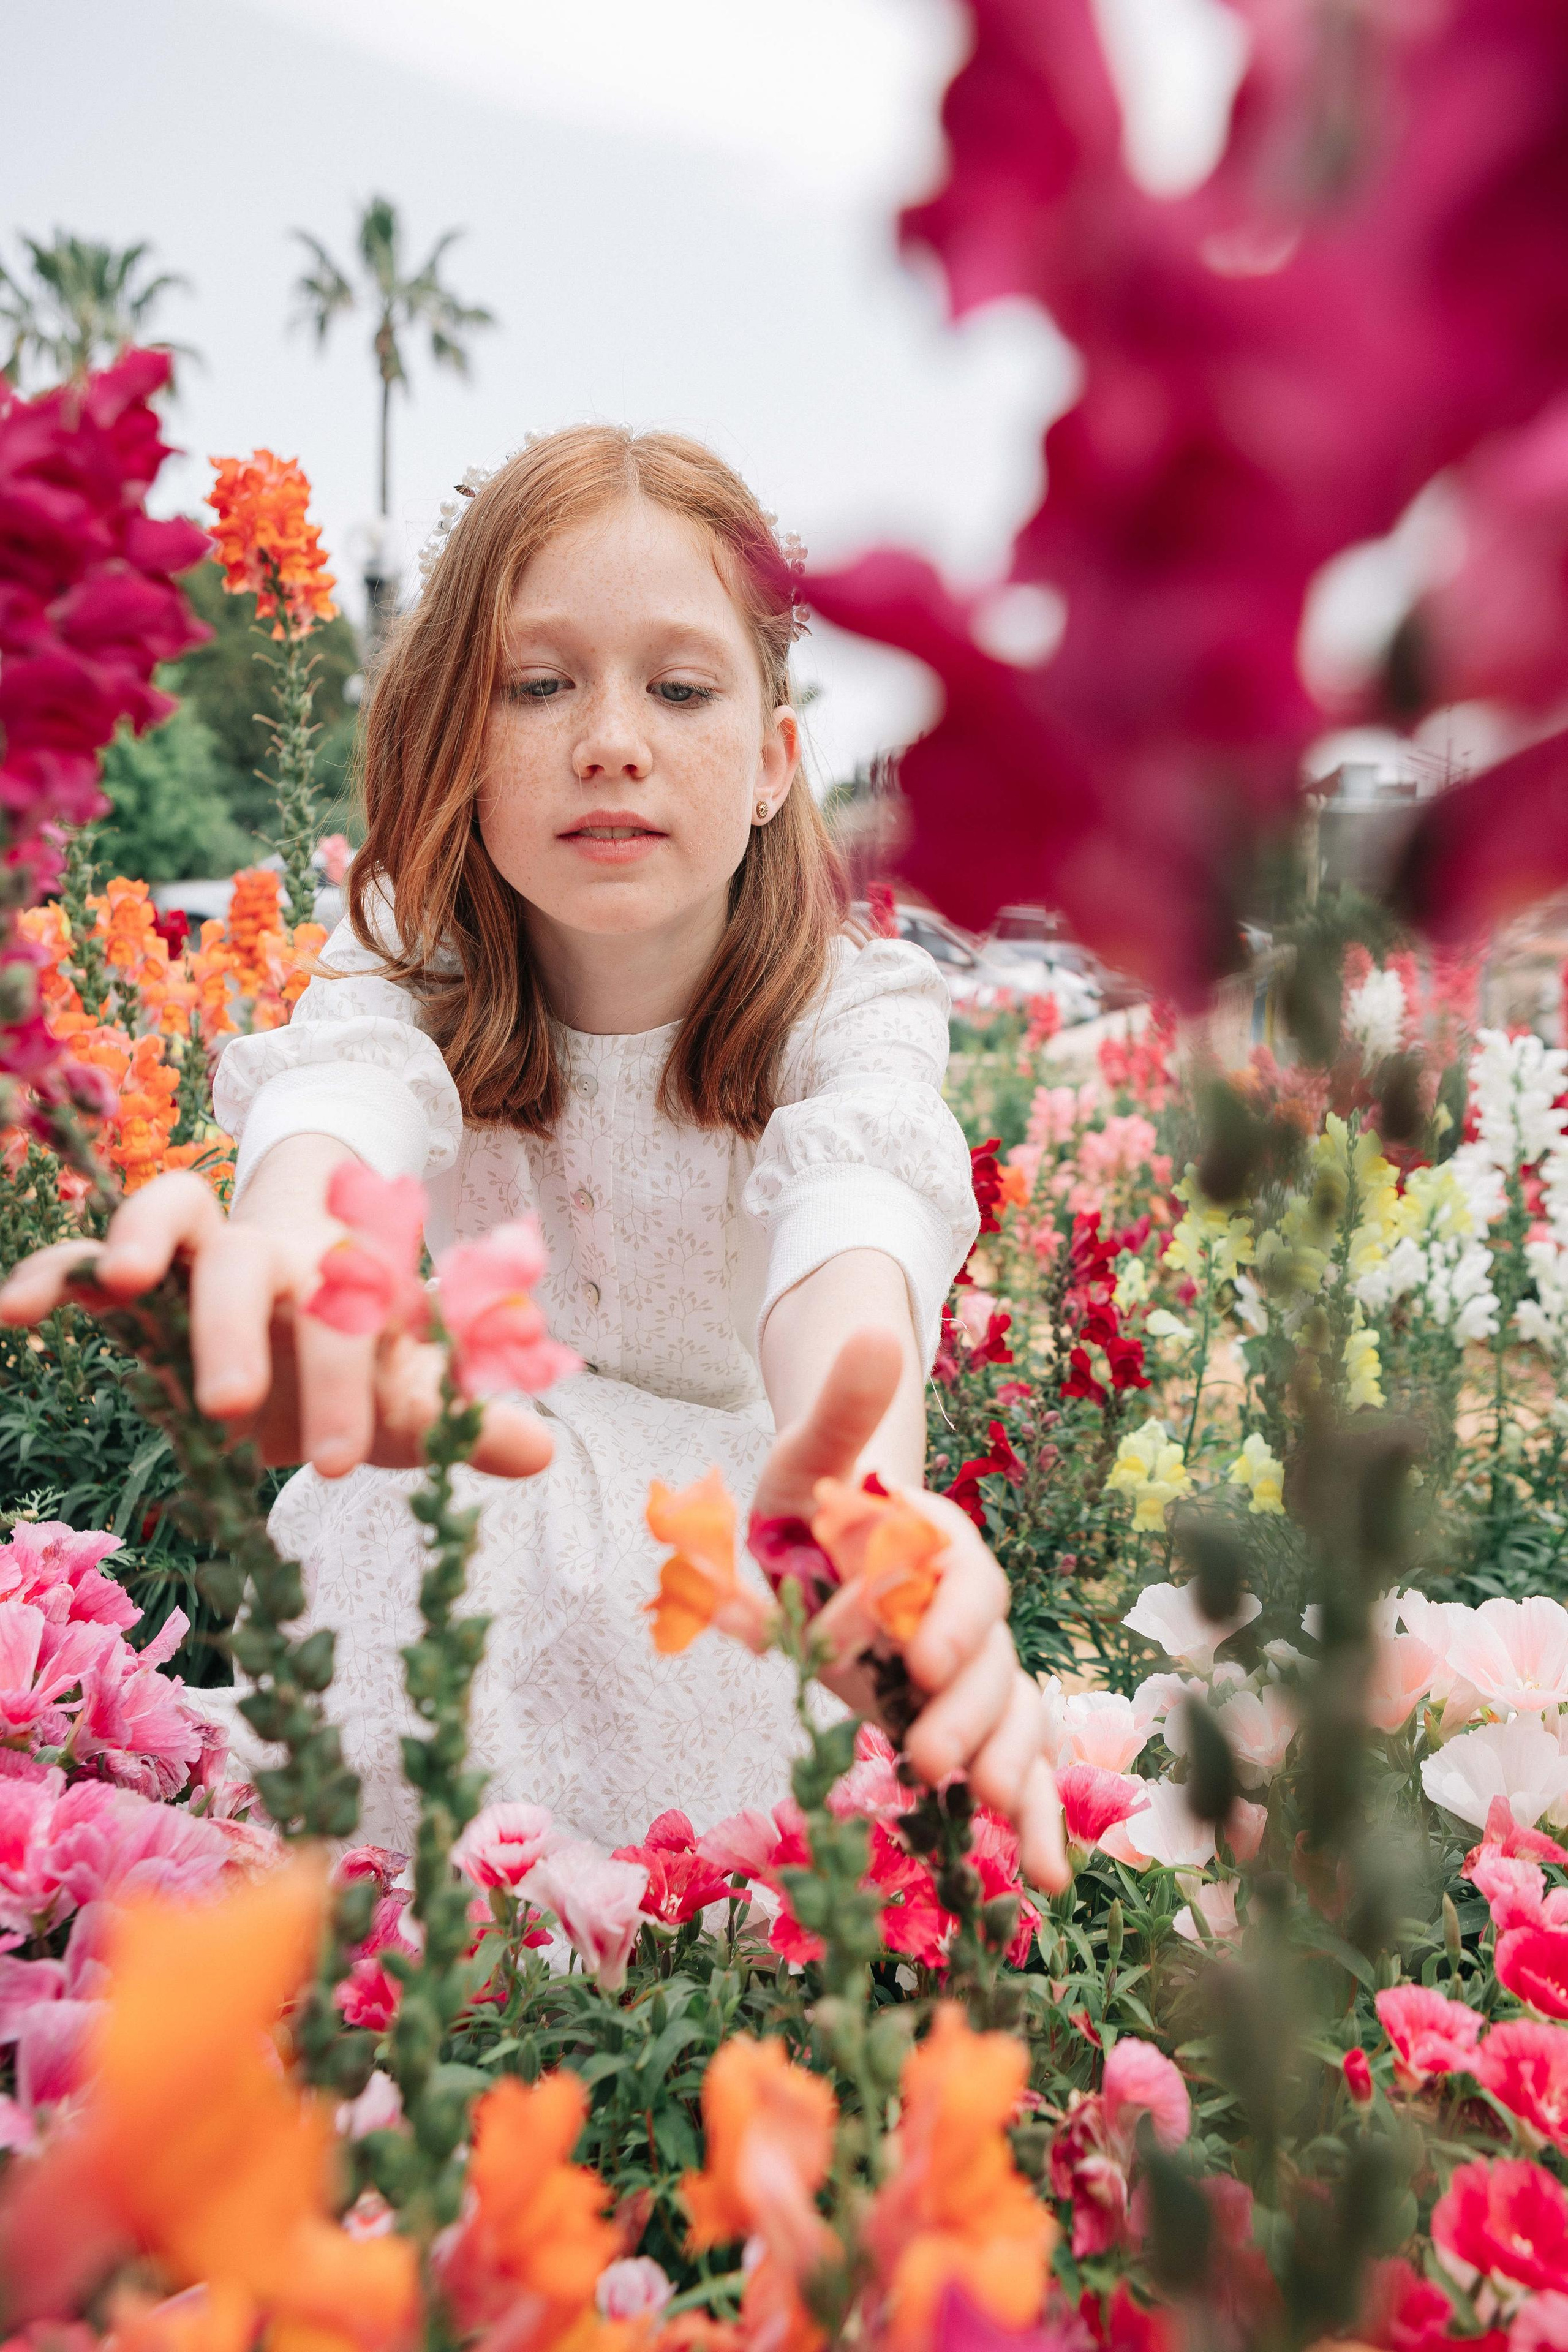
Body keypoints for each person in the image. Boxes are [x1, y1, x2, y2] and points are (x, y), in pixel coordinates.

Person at [0, 425, 1065, 1887]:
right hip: (462, 1512)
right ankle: (420, 1934)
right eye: (537, 683)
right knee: (432, 1472)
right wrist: (307, 1264)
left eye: (679, 688)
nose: (610, 736)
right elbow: (335, 1125)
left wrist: (863, 1511)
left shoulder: (845, 1012)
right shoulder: (404, 972)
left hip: (723, 1575)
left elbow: (853, 1239)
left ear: (770, 763)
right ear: (461, 747)